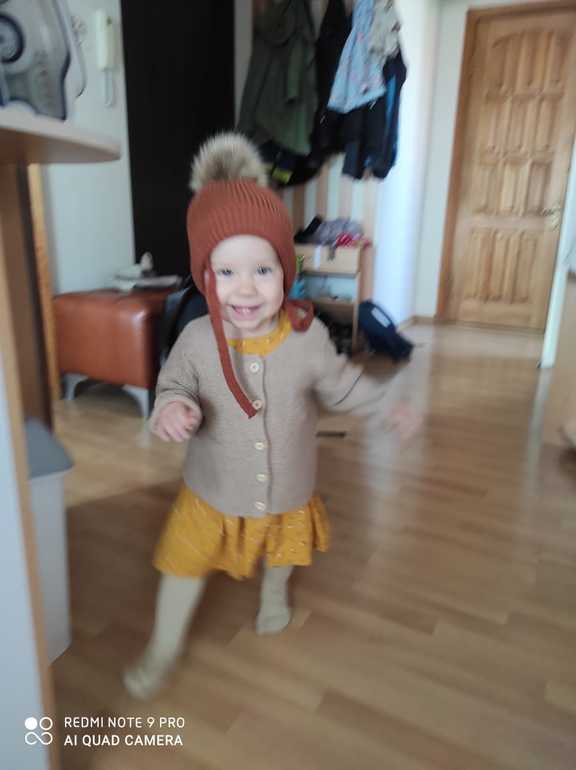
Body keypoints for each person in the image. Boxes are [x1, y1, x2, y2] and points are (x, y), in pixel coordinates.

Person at [123, 133, 419, 699]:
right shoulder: (196, 340)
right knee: (183, 562)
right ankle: (163, 647)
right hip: (212, 488)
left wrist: (384, 404)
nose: (246, 289)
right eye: (226, 272)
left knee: (283, 546)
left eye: (263, 270)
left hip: (287, 484)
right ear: (205, 276)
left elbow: (342, 383)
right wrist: (173, 408)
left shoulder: (307, 337)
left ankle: (274, 593)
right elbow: (173, 386)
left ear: (287, 272)